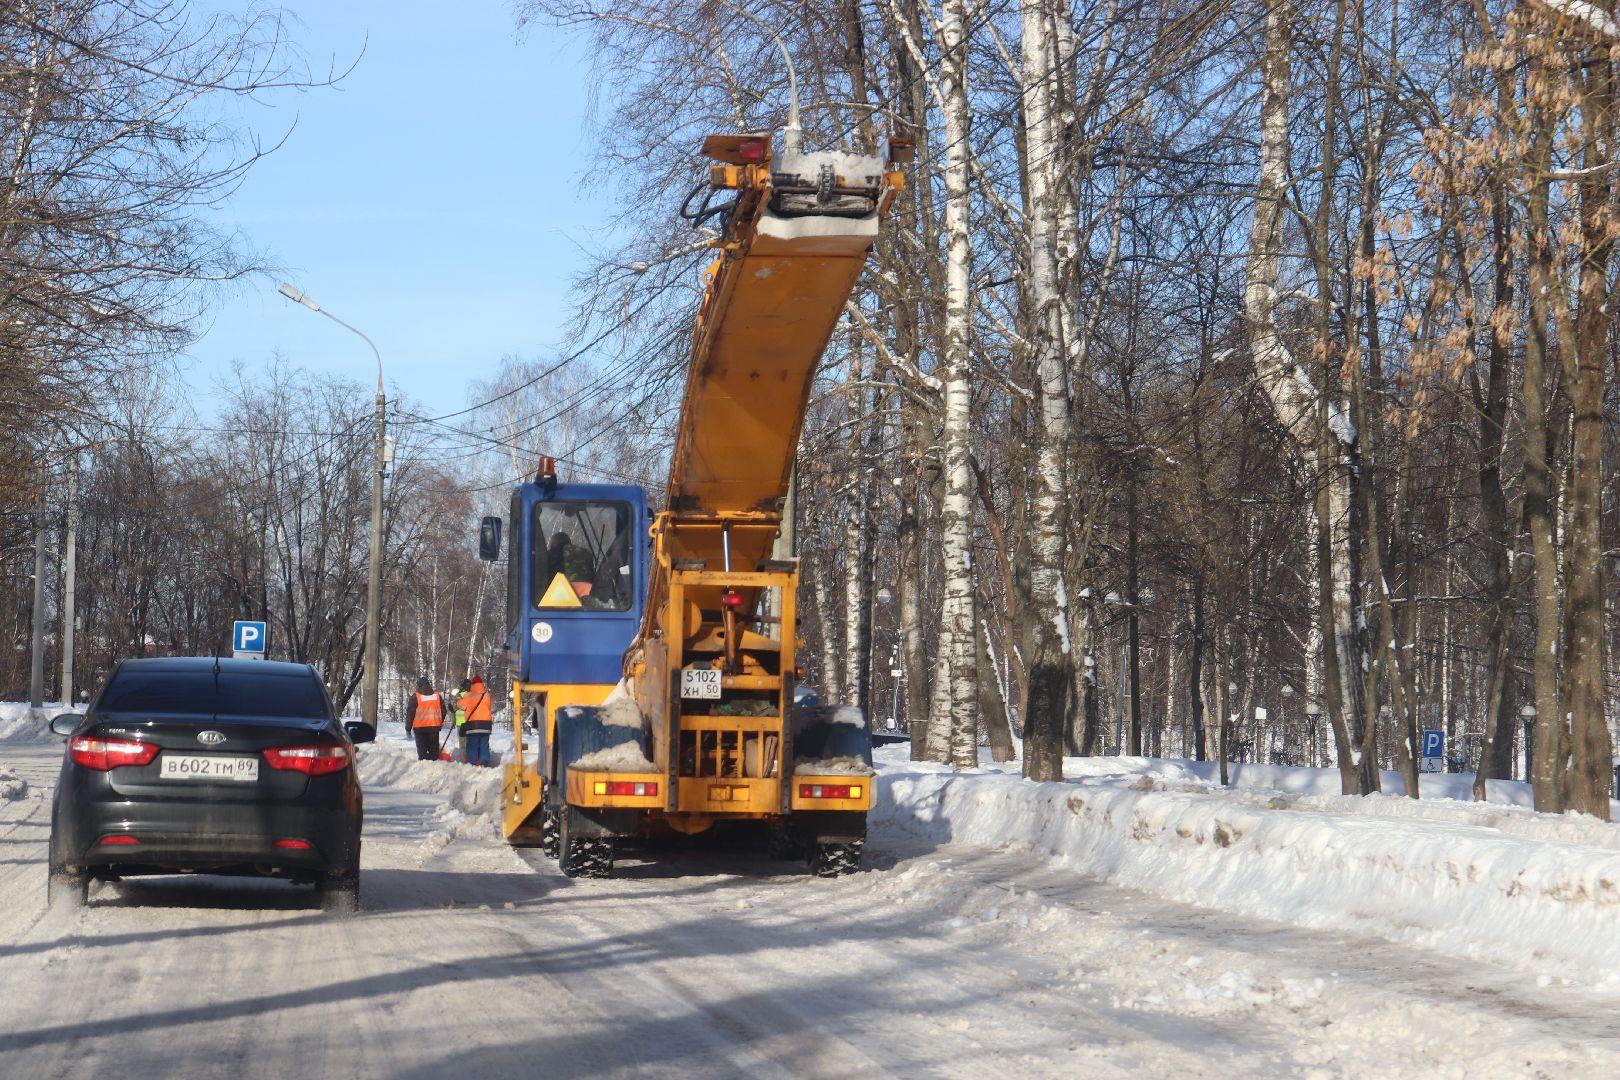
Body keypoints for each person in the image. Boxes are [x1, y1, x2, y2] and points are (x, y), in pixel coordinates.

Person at [406, 676, 447, 761]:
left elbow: (410, 714)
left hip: (420, 729)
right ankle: (435, 769)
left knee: (422, 752)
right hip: (434, 727)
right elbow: (443, 711)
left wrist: (408, 728)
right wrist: (439, 721)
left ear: (419, 686)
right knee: (434, 752)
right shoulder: (437, 696)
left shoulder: (415, 697)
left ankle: (424, 768)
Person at [460, 675, 494, 767]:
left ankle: (472, 763)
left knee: (472, 745)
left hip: (473, 724)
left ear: (472, 684)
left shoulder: (468, 695)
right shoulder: (487, 695)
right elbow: (490, 706)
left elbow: (460, 706)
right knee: (484, 744)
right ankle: (485, 762)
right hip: (486, 725)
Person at [452, 678, 472, 761]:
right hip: (471, 722)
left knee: (462, 743)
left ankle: (464, 760)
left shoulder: (458, 696)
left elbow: (454, 707)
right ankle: (471, 759)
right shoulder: (473, 695)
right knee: (470, 743)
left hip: (460, 723)